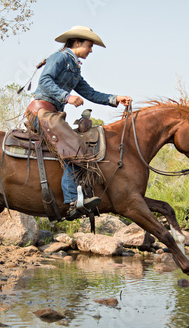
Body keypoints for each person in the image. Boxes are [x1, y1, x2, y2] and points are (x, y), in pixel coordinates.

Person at [25, 26, 132, 219]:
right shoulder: (60, 58)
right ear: (77, 42)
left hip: (53, 115)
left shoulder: (74, 68)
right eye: (89, 46)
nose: (91, 50)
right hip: (41, 112)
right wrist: (66, 97)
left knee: (77, 146)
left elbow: (90, 93)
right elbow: (45, 80)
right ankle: (73, 201)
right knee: (75, 149)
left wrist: (115, 98)